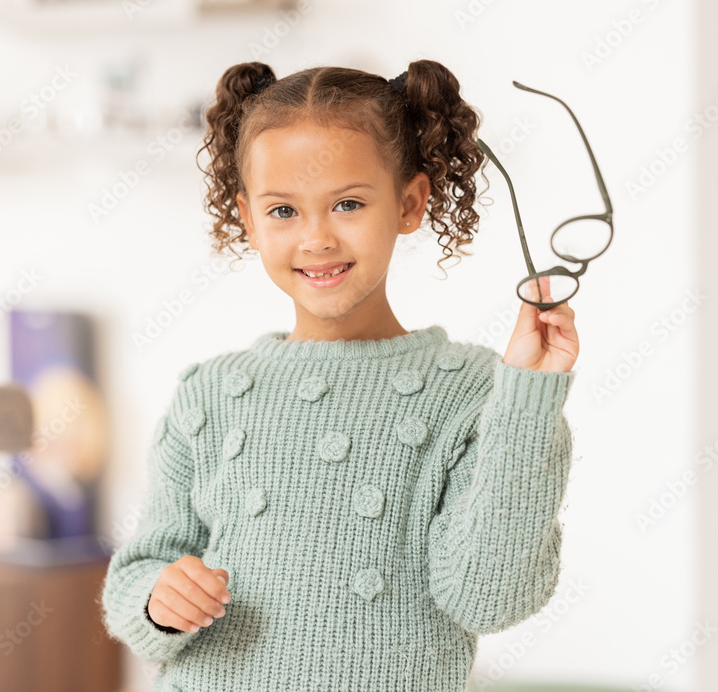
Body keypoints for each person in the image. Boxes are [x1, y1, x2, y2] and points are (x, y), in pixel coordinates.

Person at [99, 58, 580, 692]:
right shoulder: (211, 393)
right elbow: (139, 574)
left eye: (347, 203)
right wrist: (160, 602)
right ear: (247, 217)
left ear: (409, 203)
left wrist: (528, 398)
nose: (316, 238)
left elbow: (487, 598)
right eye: (282, 212)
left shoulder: (481, 395)